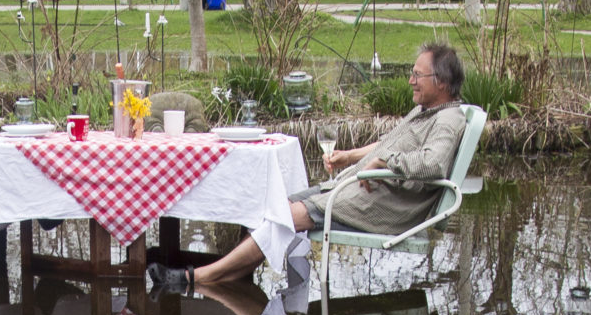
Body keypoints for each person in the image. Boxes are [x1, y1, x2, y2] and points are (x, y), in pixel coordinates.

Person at [181, 42, 469, 290]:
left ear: (441, 82)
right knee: (275, 204)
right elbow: (385, 146)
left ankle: (201, 278)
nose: (410, 81)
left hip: (385, 204)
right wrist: (351, 156)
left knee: (288, 215)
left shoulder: (448, 119)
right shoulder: (424, 112)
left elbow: (433, 164)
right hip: (365, 188)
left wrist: (384, 162)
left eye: (418, 75)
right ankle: (235, 275)